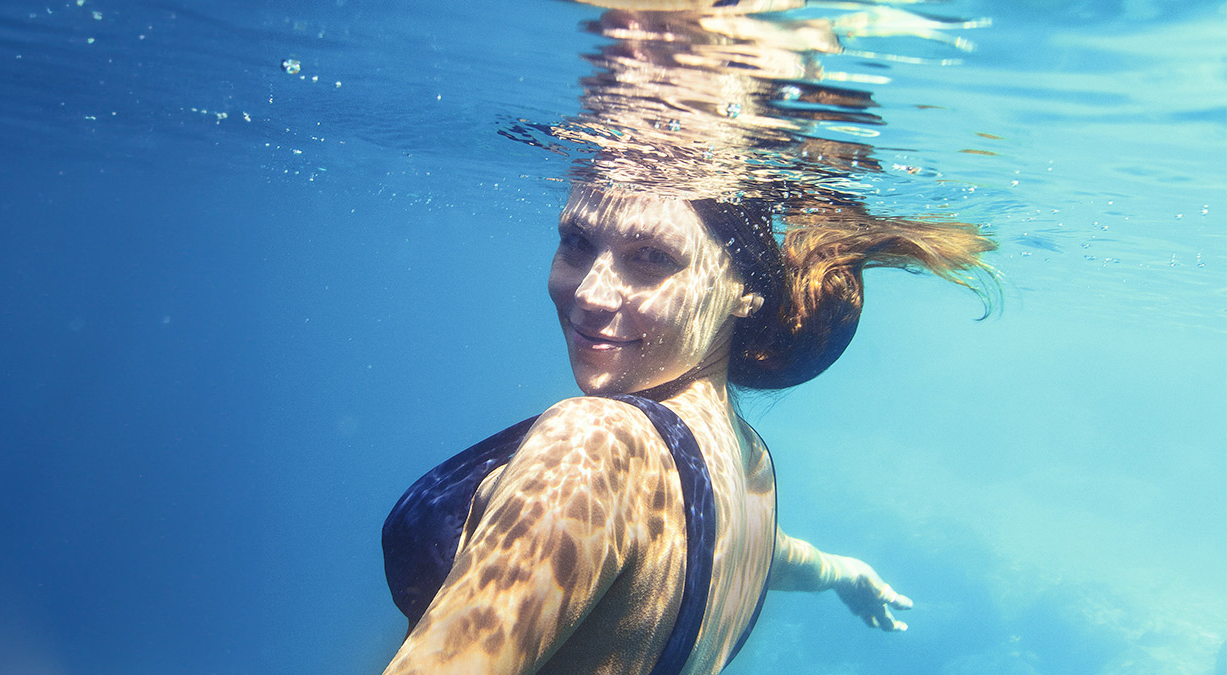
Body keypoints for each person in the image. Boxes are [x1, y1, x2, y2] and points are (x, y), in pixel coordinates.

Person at [379, 4, 995, 673]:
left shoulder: (594, 449)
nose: (589, 291)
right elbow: (772, 554)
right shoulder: (750, 468)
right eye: (576, 242)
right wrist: (845, 573)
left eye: (651, 258)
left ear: (743, 290)